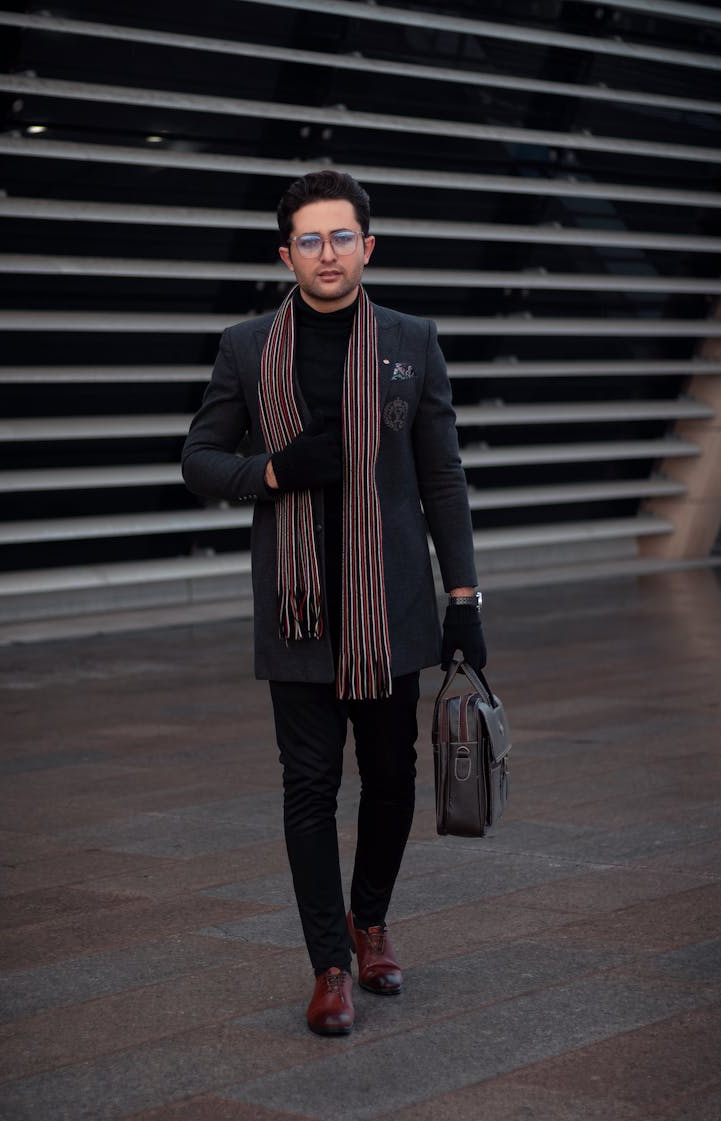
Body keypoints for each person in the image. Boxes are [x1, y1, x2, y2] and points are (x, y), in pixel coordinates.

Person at [182, 170, 486, 1036]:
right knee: (310, 787)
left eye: (341, 237)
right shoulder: (246, 348)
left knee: (390, 781)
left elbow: (443, 478)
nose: (327, 253)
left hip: (391, 610)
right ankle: (328, 964)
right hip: (297, 613)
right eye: (309, 241)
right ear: (287, 254)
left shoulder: (411, 340)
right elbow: (198, 457)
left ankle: (371, 919)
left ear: (368, 245)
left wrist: (463, 595)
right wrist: (271, 471)